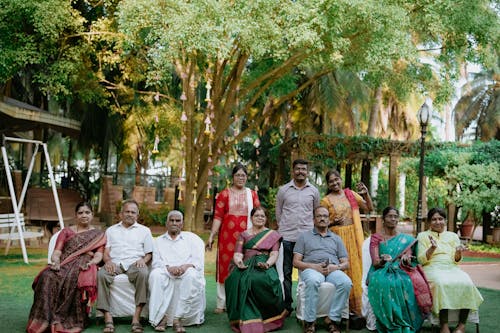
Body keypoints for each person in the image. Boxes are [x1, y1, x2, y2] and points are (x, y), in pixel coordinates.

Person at [27, 202, 106, 333]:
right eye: (80, 213)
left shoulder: (98, 235)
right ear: (76, 215)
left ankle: (69, 319)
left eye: (87, 212)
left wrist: (91, 263)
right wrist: (55, 261)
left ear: (92, 215)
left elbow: (99, 255)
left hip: (84, 263)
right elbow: (57, 251)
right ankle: (44, 319)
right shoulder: (66, 231)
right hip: (64, 262)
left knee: (73, 277)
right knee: (46, 276)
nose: (84, 215)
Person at [417, 208, 483, 333]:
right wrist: (432, 248)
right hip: (432, 267)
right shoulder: (423, 236)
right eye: (434, 219)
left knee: (467, 282)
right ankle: (444, 325)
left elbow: (456, 260)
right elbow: (421, 260)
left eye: (440, 219)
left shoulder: (453, 236)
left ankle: (461, 325)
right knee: (441, 283)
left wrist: (458, 252)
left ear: (445, 221)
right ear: (429, 222)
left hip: (451, 267)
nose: (438, 222)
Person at [206, 164, 260, 313]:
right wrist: (212, 235)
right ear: (233, 177)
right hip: (227, 238)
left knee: (246, 266)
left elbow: (258, 215)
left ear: (246, 178)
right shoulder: (224, 194)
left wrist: (258, 234)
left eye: (243, 175)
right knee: (225, 267)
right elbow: (217, 217)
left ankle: (244, 300)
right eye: (238, 175)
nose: (241, 178)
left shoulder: (252, 194)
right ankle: (221, 302)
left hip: (247, 237)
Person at [225, 207, 287, 333]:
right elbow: (237, 254)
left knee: (259, 280)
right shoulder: (244, 235)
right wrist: (239, 262)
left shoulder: (272, 235)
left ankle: (267, 317)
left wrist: (268, 264)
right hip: (246, 264)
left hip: (264, 264)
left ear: (266, 219)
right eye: (257, 215)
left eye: (262, 216)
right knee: (234, 280)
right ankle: (242, 317)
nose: (260, 218)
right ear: (251, 218)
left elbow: (274, 255)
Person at [320, 169, 373, 315]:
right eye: (331, 181)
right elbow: (320, 222)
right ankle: (342, 309)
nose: (335, 183)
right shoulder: (325, 201)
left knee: (356, 269)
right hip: (336, 239)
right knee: (342, 269)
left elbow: (369, 208)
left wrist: (365, 193)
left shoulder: (350, 194)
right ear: (328, 184)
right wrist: (331, 222)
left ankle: (356, 309)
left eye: (337, 179)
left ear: (341, 179)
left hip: (354, 236)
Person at [97, 199, 154, 333]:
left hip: (135, 263)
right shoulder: (111, 230)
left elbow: (149, 253)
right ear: (121, 214)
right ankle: (107, 317)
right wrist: (108, 261)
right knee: (101, 274)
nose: (130, 214)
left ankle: (136, 318)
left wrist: (143, 261)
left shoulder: (145, 231)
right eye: (127, 211)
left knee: (143, 273)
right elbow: (106, 252)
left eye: (133, 212)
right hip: (115, 263)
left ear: (137, 215)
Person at [293, 206, 352, 333]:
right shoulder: (304, 237)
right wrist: (315, 267)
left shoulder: (336, 238)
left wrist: (335, 267)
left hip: (333, 269)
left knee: (346, 282)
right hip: (312, 269)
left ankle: (332, 318)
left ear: (329, 219)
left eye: (325, 216)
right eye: (319, 216)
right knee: (313, 281)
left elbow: (346, 264)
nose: (322, 219)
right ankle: (310, 321)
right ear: (314, 220)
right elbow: (296, 262)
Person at [367, 206, 424, 333]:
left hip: (401, 268)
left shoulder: (406, 239)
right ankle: (388, 321)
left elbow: (408, 256)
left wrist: (406, 259)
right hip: (381, 269)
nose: (393, 219)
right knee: (384, 282)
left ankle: (407, 321)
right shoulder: (376, 238)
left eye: (395, 216)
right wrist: (383, 260)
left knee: (406, 282)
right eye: (389, 216)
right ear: (383, 219)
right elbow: (375, 262)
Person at [148, 210, 205, 333]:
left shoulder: (191, 240)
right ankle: (161, 317)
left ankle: (177, 318)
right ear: (166, 223)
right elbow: (156, 262)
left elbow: (197, 261)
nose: (174, 223)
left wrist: (185, 267)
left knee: (192, 276)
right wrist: (169, 268)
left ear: (182, 223)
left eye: (177, 220)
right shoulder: (158, 241)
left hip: (186, 271)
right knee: (155, 275)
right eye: (171, 220)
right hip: (166, 272)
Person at [276, 158, 320, 314]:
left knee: (306, 272)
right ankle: (287, 306)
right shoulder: (283, 190)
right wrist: (284, 229)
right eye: (298, 169)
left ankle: (304, 305)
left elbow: (316, 213)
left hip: (306, 239)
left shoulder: (314, 191)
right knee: (286, 272)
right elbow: (279, 213)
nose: (301, 171)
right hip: (287, 237)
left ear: (307, 172)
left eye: (304, 169)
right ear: (292, 171)